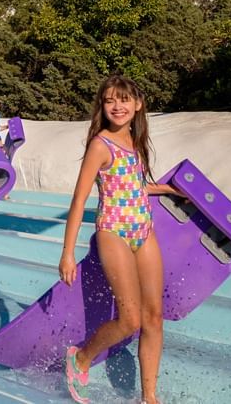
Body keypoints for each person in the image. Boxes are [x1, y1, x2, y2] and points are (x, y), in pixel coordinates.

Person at [58, 75, 179, 404]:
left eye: (124, 100)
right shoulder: (101, 144)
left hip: (143, 230)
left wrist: (165, 188)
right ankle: (81, 358)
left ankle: (150, 397)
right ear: (102, 106)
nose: (117, 106)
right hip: (113, 231)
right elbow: (80, 199)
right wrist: (67, 253)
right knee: (131, 319)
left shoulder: (135, 142)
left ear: (138, 104)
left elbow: (133, 185)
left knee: (154, 317)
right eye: (110, 100)